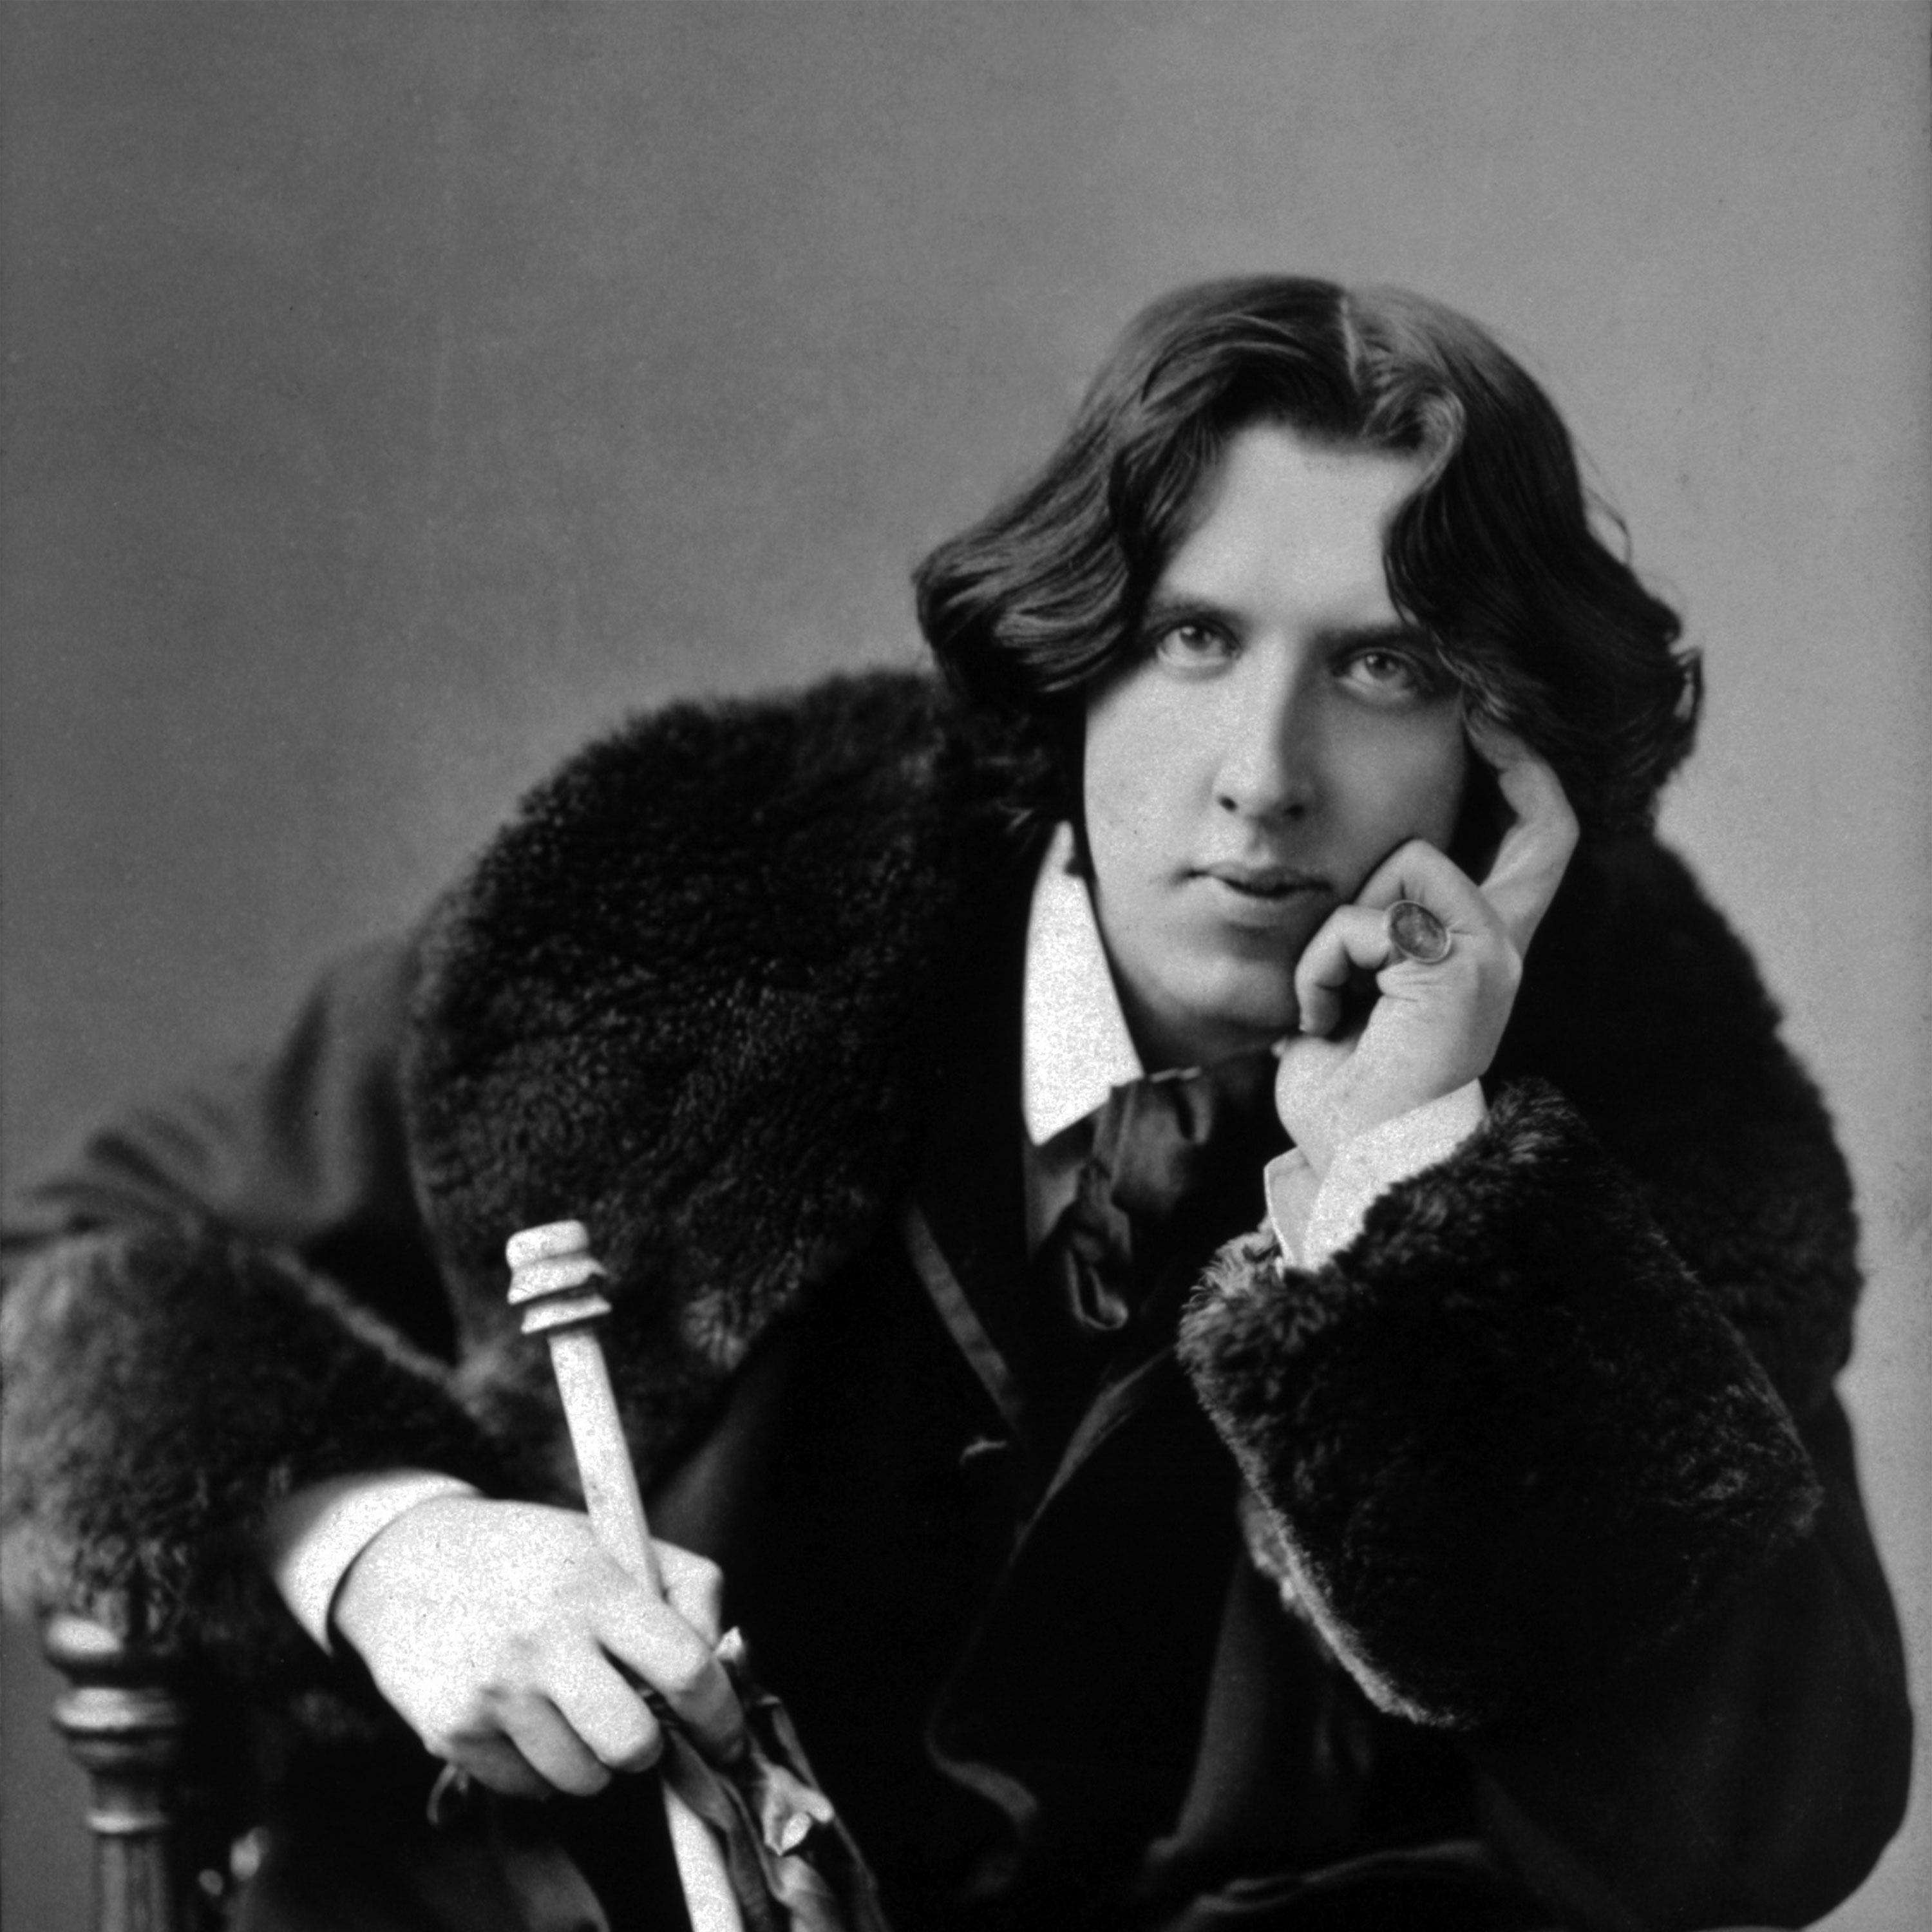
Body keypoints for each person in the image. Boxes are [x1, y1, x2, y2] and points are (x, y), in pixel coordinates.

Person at [1, 277, 1911, 1931]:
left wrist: (1421, 1188)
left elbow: (1757, 1824)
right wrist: (384, 1550)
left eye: (1386, 666)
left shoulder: (1643, 1097)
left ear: (1506, 749)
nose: (1262, 776)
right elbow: (57, 1286)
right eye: (1193, 638)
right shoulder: (673, 914)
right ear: (1073, 652)